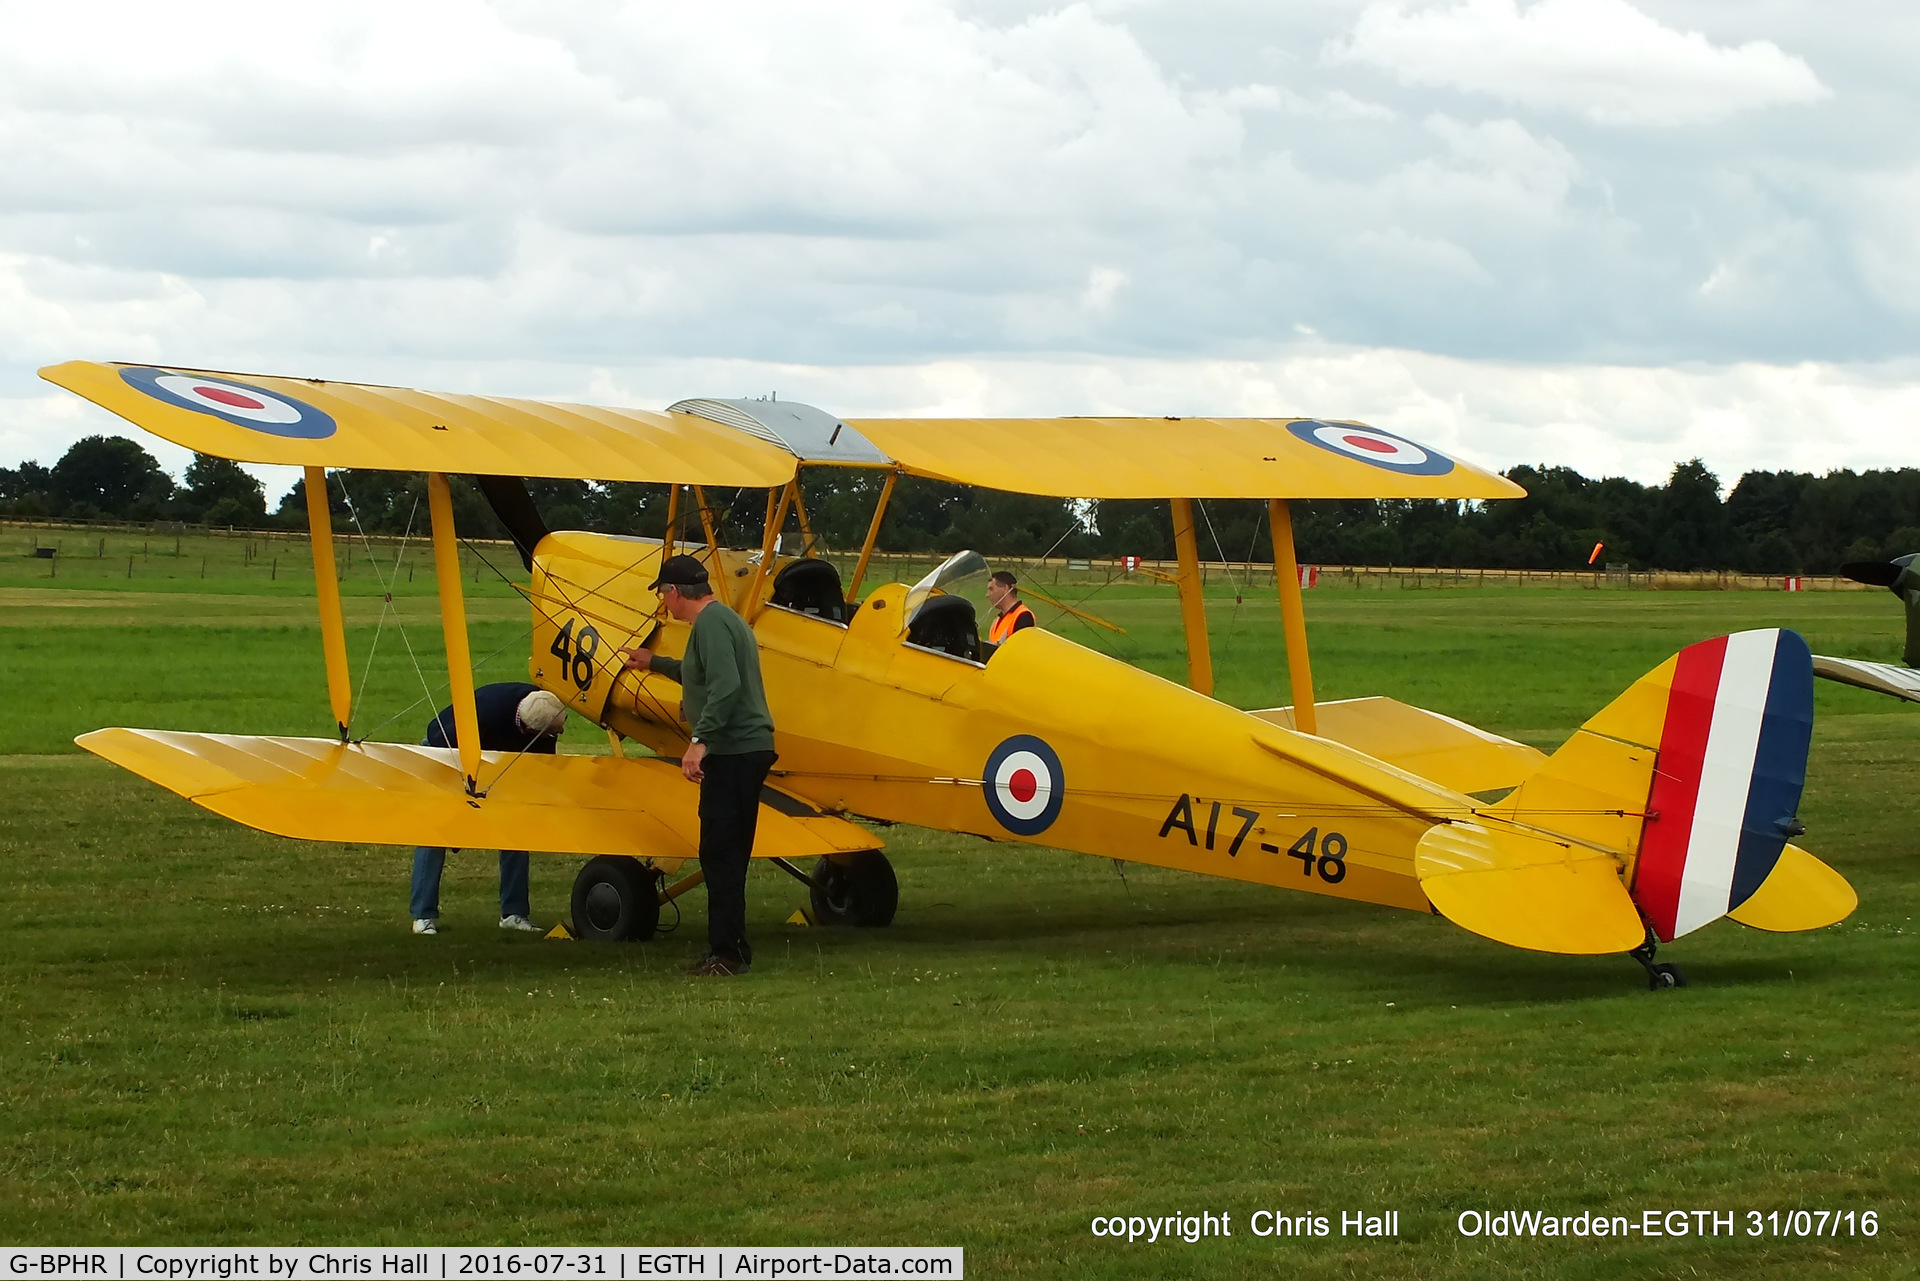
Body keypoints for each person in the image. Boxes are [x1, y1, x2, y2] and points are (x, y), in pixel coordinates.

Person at [618, 554, 777, 977]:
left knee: (719, 854)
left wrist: (699, 742)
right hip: (747, 750)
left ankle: (726, 955)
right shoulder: (724, 620)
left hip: (733, 751)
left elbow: (726, 685)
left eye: (663, 594)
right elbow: (702, 672)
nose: (664, 604)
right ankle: (731, 950)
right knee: (727, 853)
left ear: (673, 592)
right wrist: (653, 663)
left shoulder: (709, 625)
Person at [410, 684, 568, 935]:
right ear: (528, 729)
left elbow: (542, 765)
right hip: (447, 752)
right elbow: (439, 739)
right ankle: (423, 916)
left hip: (502, 762)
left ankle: (514, 914)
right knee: (435, 833)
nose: (559, 734)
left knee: (516, 833)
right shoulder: (486, 713)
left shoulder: (545, 707)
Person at [986, 570, 1037, 645]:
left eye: (991, 589)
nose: (987, 595)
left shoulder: (1023, 616)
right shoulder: (996, 621)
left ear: (1005, 588)